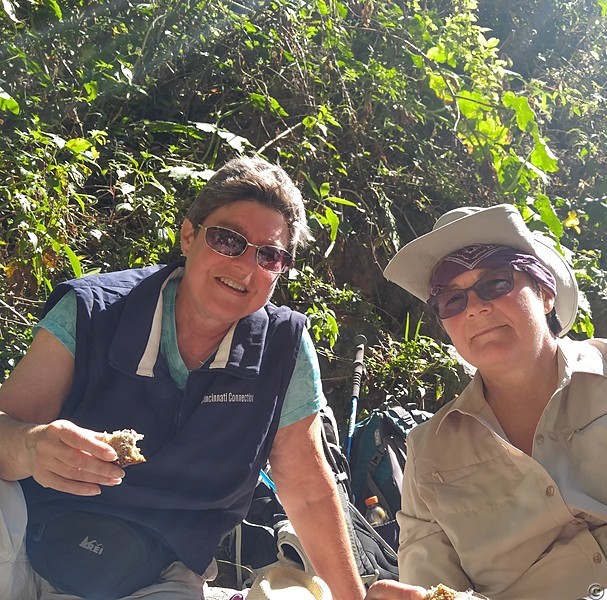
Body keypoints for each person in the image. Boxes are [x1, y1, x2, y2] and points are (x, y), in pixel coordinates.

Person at [0, 156, 365, 600]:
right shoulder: (92, 311)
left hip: (159, 574)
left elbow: (306, 489)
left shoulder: (283, 348)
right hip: (26, 543)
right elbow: (6, 432)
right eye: (228, 240)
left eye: (269, 255)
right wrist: (33, 445)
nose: (245, 267)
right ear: (189, 235)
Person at [365, 204, 607, 600]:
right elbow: (433, 589)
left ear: (546, 293)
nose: (476, 308)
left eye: (496, 283)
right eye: (452, 300)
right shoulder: (428, 450)